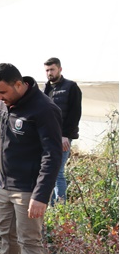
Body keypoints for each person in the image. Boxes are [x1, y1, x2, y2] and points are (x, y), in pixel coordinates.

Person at [0, 62, 62, 254]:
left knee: (29, 240)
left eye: (2, 92)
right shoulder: (4, 104)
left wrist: (41, 195)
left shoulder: (43, 109)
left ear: (19, 85)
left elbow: (52, 155)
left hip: (28, 189)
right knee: (6, 233)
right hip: (4, 183)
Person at [43, 57, 82, 205]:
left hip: (63, 137)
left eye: (52, 69)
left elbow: (75, 114)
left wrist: (65, 135)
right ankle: (50, 204)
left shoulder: (71, 87)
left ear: (60, 69)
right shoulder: (46, 88)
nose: (49, 73)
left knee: (58, 171)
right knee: (48, 171)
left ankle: (61, 207)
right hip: (48, 137)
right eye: (47, 70)